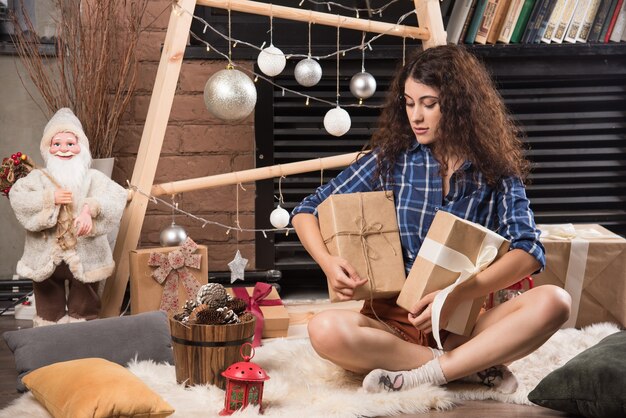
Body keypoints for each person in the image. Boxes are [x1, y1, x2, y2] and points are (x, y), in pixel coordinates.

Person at [291, 45, 572, 393]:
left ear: (458, 106)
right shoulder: (392, 159)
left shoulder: (496, 173)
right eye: (409, 103)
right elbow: (307, 209)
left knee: (556, 302)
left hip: (462, 326)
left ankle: (427, 373)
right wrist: (329, 263)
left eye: (429, 103)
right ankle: (470, 368)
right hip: (390, 324)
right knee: (324, 329)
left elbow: (529, 252)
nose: (416, 117)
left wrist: (457, 293)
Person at [9, 108, 127, 326]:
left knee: (85, 307)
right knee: (47, 308)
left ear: (80, 147)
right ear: (48, 148)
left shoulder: (92, 178)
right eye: (57, 144)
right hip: (45, 256)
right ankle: (49, 336)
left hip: (85, 254)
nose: (63, 149)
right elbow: (18, 196)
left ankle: (82, 337)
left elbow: (117, 196)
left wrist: (89, 210)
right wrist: (49, 198)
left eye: (70, 144)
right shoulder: (38, 178)